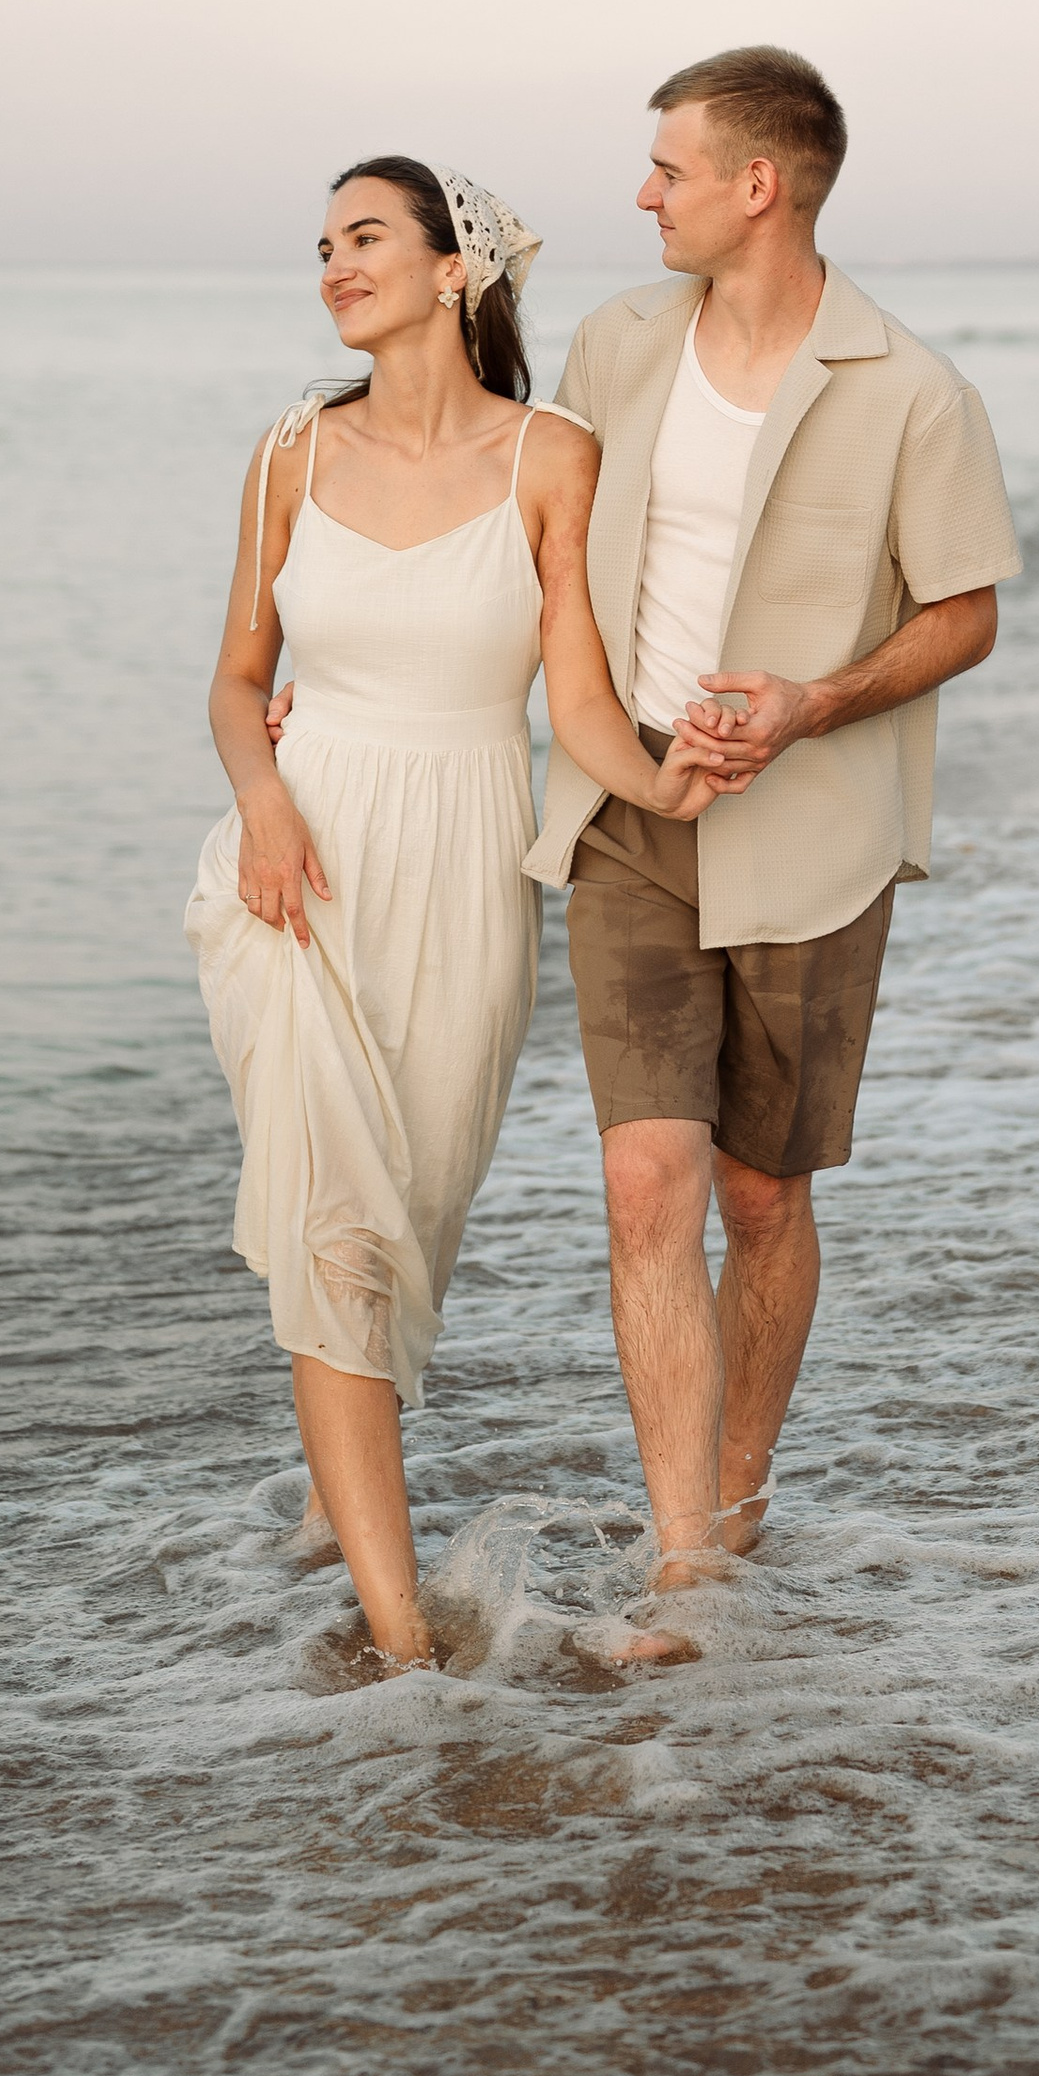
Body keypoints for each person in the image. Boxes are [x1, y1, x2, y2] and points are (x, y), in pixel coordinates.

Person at [187, 157, 741, 1673]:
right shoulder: (292, 451)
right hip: (297, 866)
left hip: (466, 870)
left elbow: (579, 703)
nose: (331, 266)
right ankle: (403, 1642)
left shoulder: (551, 458)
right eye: (320, 246)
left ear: (455, 271)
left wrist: (671, 786)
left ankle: (327, 1494)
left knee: (407, 1224)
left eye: (364, 237)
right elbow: (239, 683)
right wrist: (267, 802)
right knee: (337, 1234)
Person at [524, 47, 1021, 1635]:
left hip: (812, 831)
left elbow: (967, 613)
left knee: (760, 1198)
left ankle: (738, 1506)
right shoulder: (611, 345)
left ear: (762, 184)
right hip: (630, 810)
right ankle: (684, 1560)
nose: (643, 193)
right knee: (644, 1186)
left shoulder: (914, 389)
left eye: (668, 166)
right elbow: (534, 555)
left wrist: (813, 703)